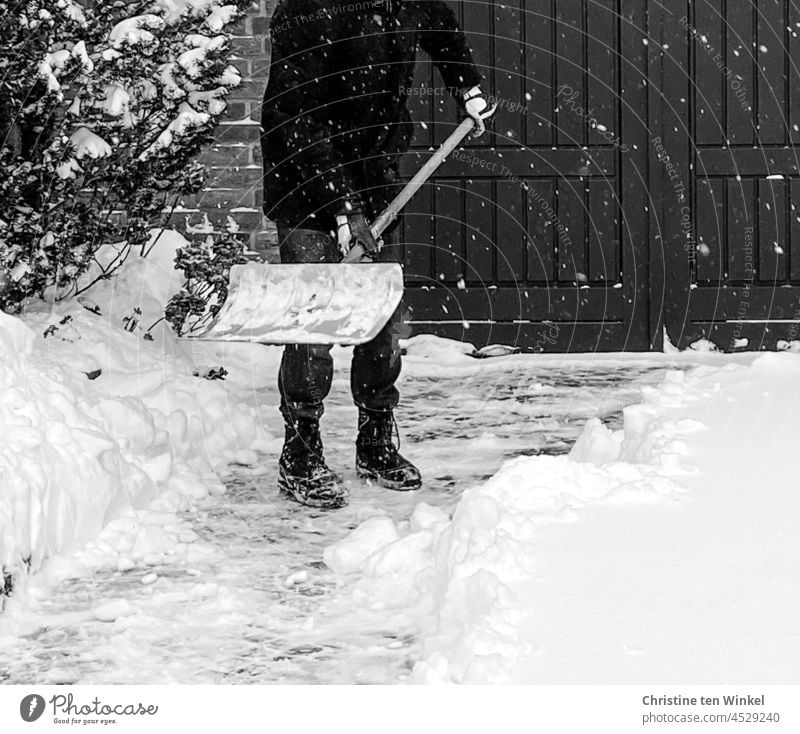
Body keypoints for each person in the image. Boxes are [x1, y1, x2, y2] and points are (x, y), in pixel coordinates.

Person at [259, 0, 493, 508]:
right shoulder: (305, 10)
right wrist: (342, 209)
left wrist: (467, 87)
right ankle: (300, 454)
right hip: (305, 182)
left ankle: (377, 444)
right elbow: (290, 113)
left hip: (375, 173)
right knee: (313, 328)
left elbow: (441, 29)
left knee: (381, 318)